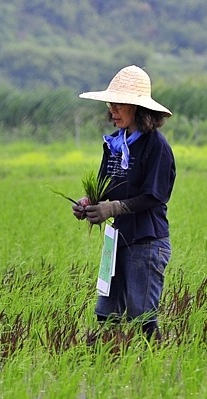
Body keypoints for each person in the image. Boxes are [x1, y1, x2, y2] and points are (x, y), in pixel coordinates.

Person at [72, 65, 175, 341]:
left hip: (146, 241)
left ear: (138, 109)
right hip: (117, 240)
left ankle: (155, 368)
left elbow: (155, 195)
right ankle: (112, 367)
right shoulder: (115, 144)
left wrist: (112, 208)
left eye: (120, 105)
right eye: (111, 104)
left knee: (142, 318)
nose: (113, 110)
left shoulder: (156, 147)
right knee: (106, 314)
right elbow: (105, 187)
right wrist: (88, 203)